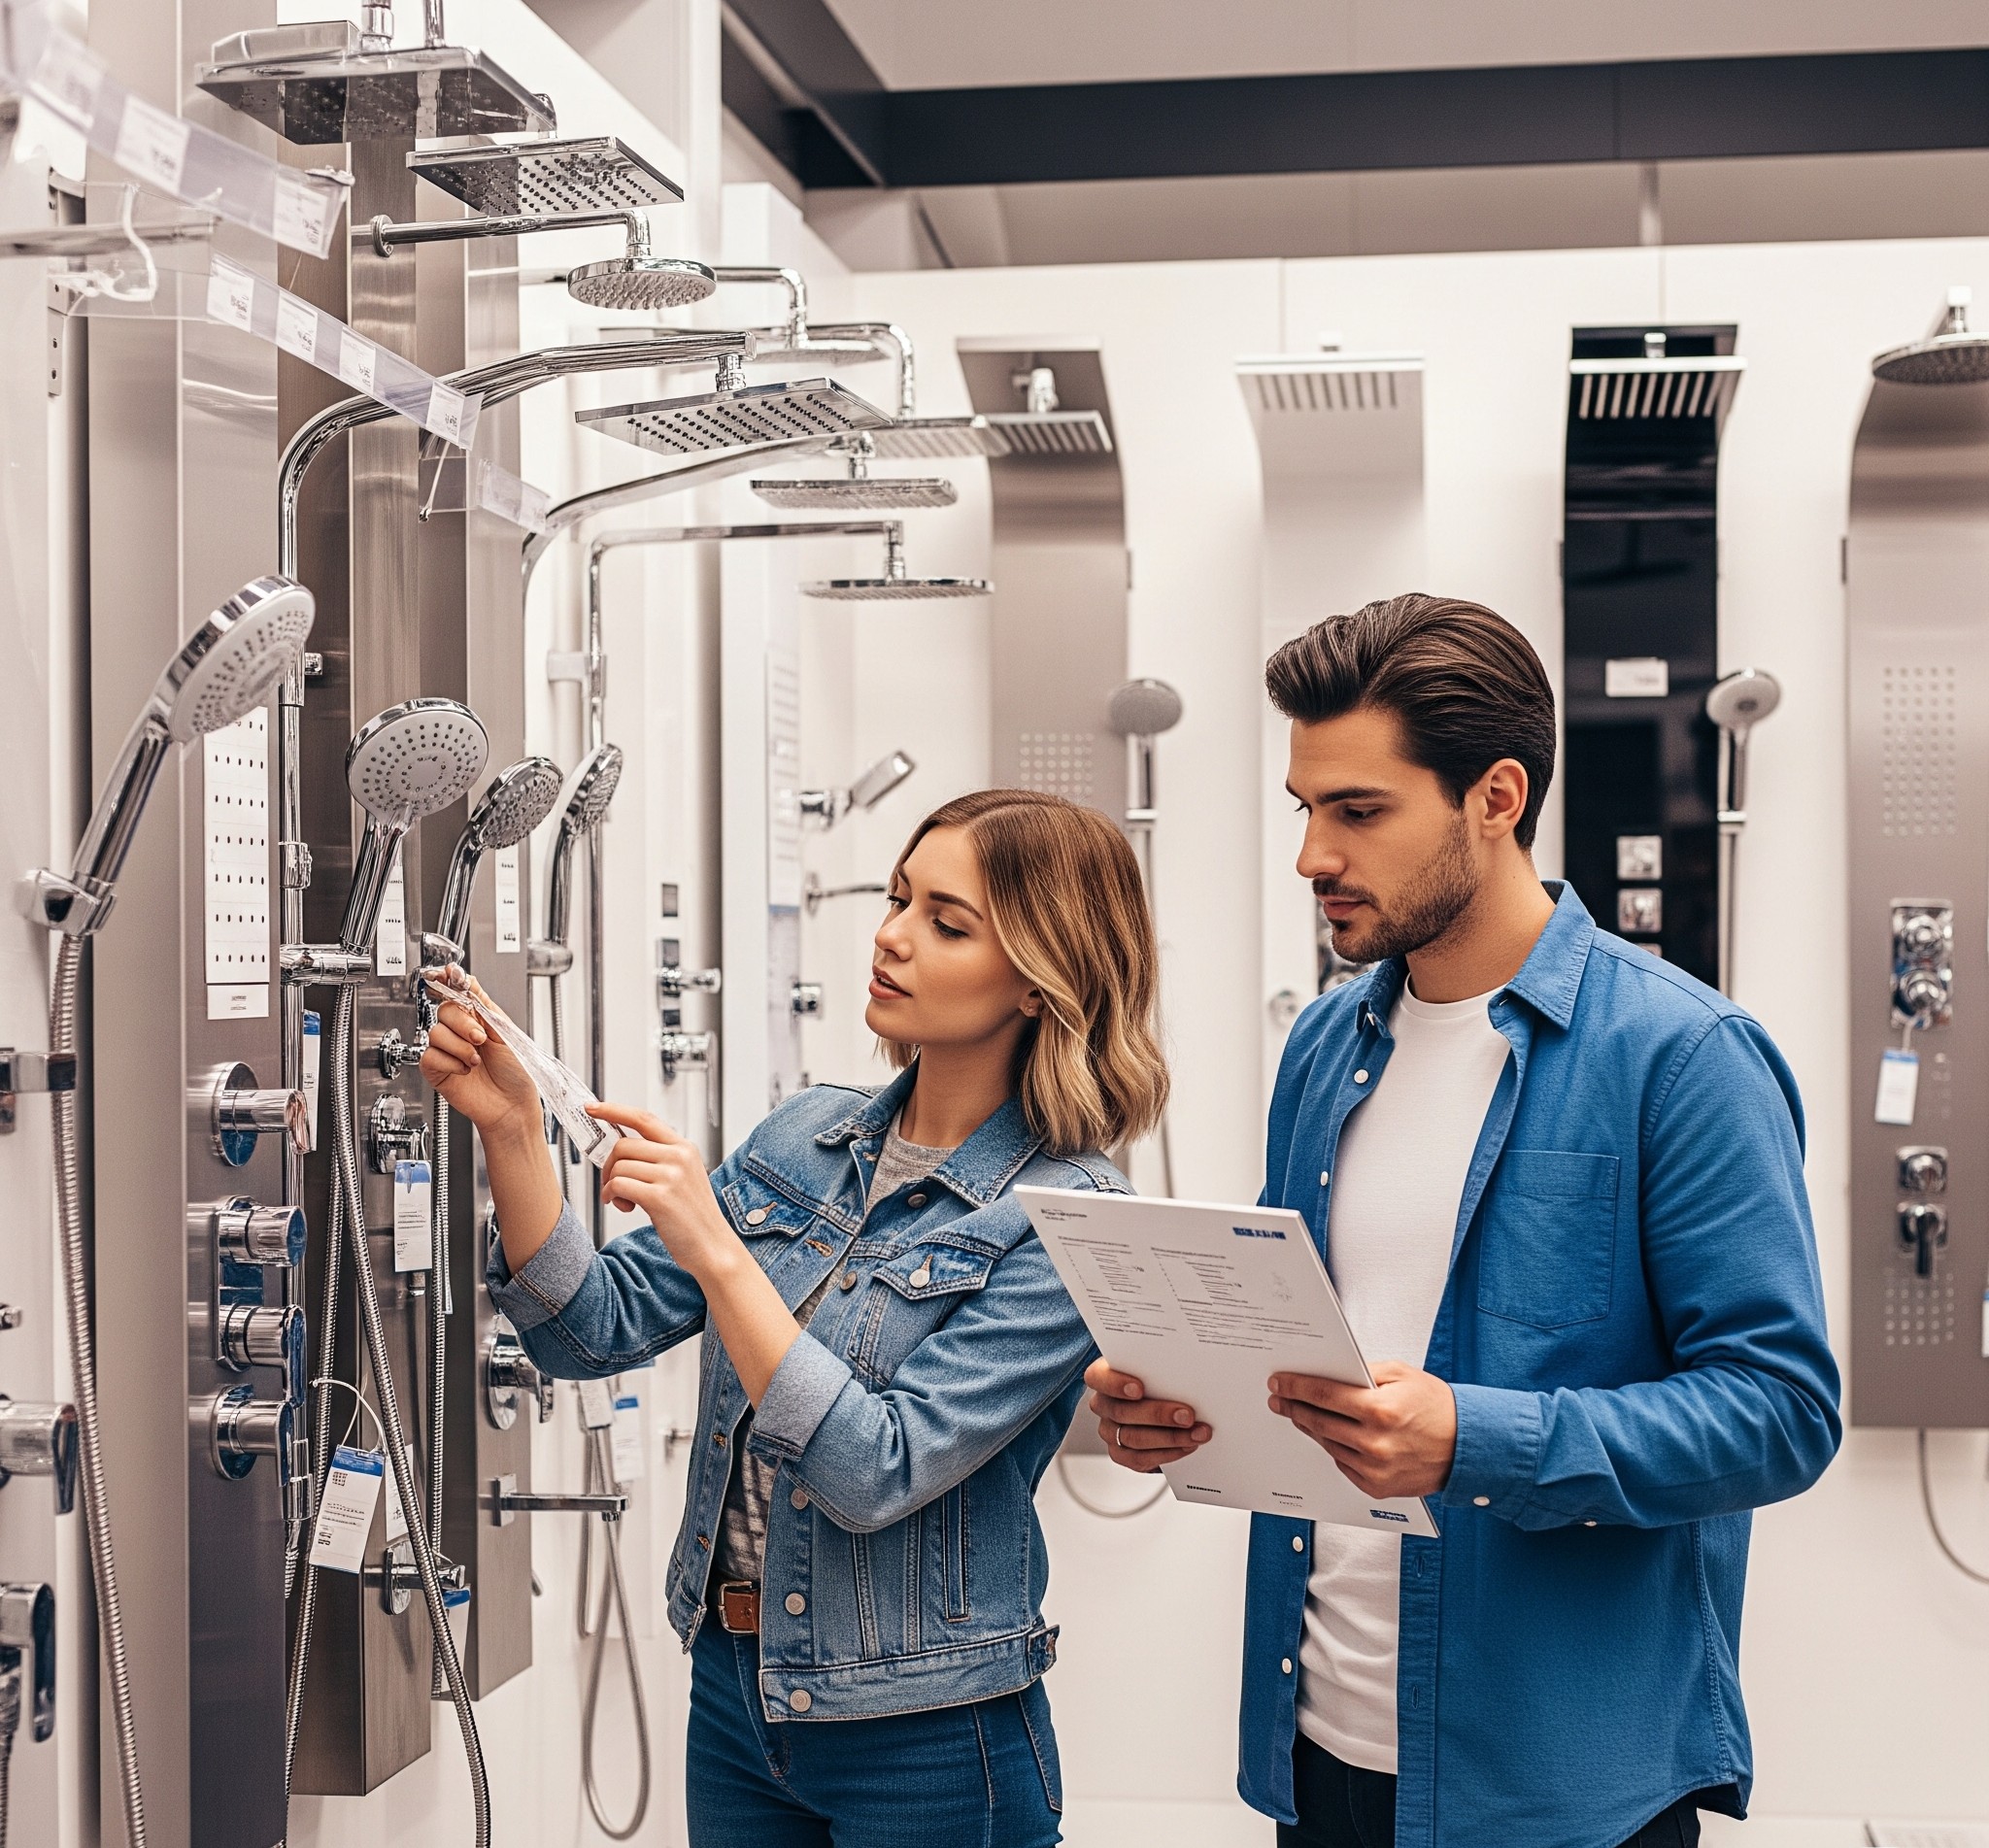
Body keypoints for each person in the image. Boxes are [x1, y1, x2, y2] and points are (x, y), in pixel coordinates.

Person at [1086, 594, 1841, 1848]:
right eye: (1307, 808)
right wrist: (1179, 1400)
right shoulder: (1328, 1042)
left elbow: (1781, 1410)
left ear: (1497, 795)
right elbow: (1313, 1343)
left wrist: (1472, 1438)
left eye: (1359, 810)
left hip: (1561, 1788)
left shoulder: (1684, 1056)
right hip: (1319, 1747)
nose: (1312, 855)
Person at [421, 787, 1166, 1848]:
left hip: (927, 1731)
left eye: (945, 924)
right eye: (900, 897)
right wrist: (508, 1132)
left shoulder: (1065, 1219)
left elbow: (878, 1467)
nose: (892, 935)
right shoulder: (806, 1134)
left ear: (1042, 983)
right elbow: (585, 1328)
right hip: (736, 1689)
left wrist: (716, 1248)